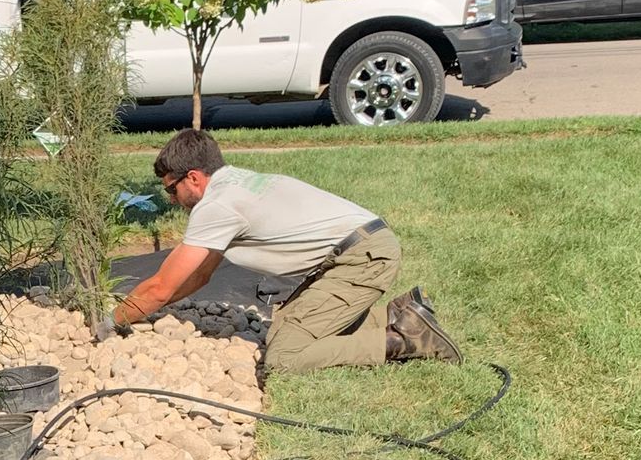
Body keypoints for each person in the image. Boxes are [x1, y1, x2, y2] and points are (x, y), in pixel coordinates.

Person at [111, 129, 460, 370]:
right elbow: (201, 274)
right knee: (283, 328)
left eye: (171, 190)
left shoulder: (216, 205)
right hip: (360, 248)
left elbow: (161, 286)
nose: (172, 201)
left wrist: (114, 320)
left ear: (193, 178)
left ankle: (408, 341)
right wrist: (153, 307)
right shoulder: (235, 183)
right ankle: (399, 314)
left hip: (362, 259)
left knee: (284, 356)